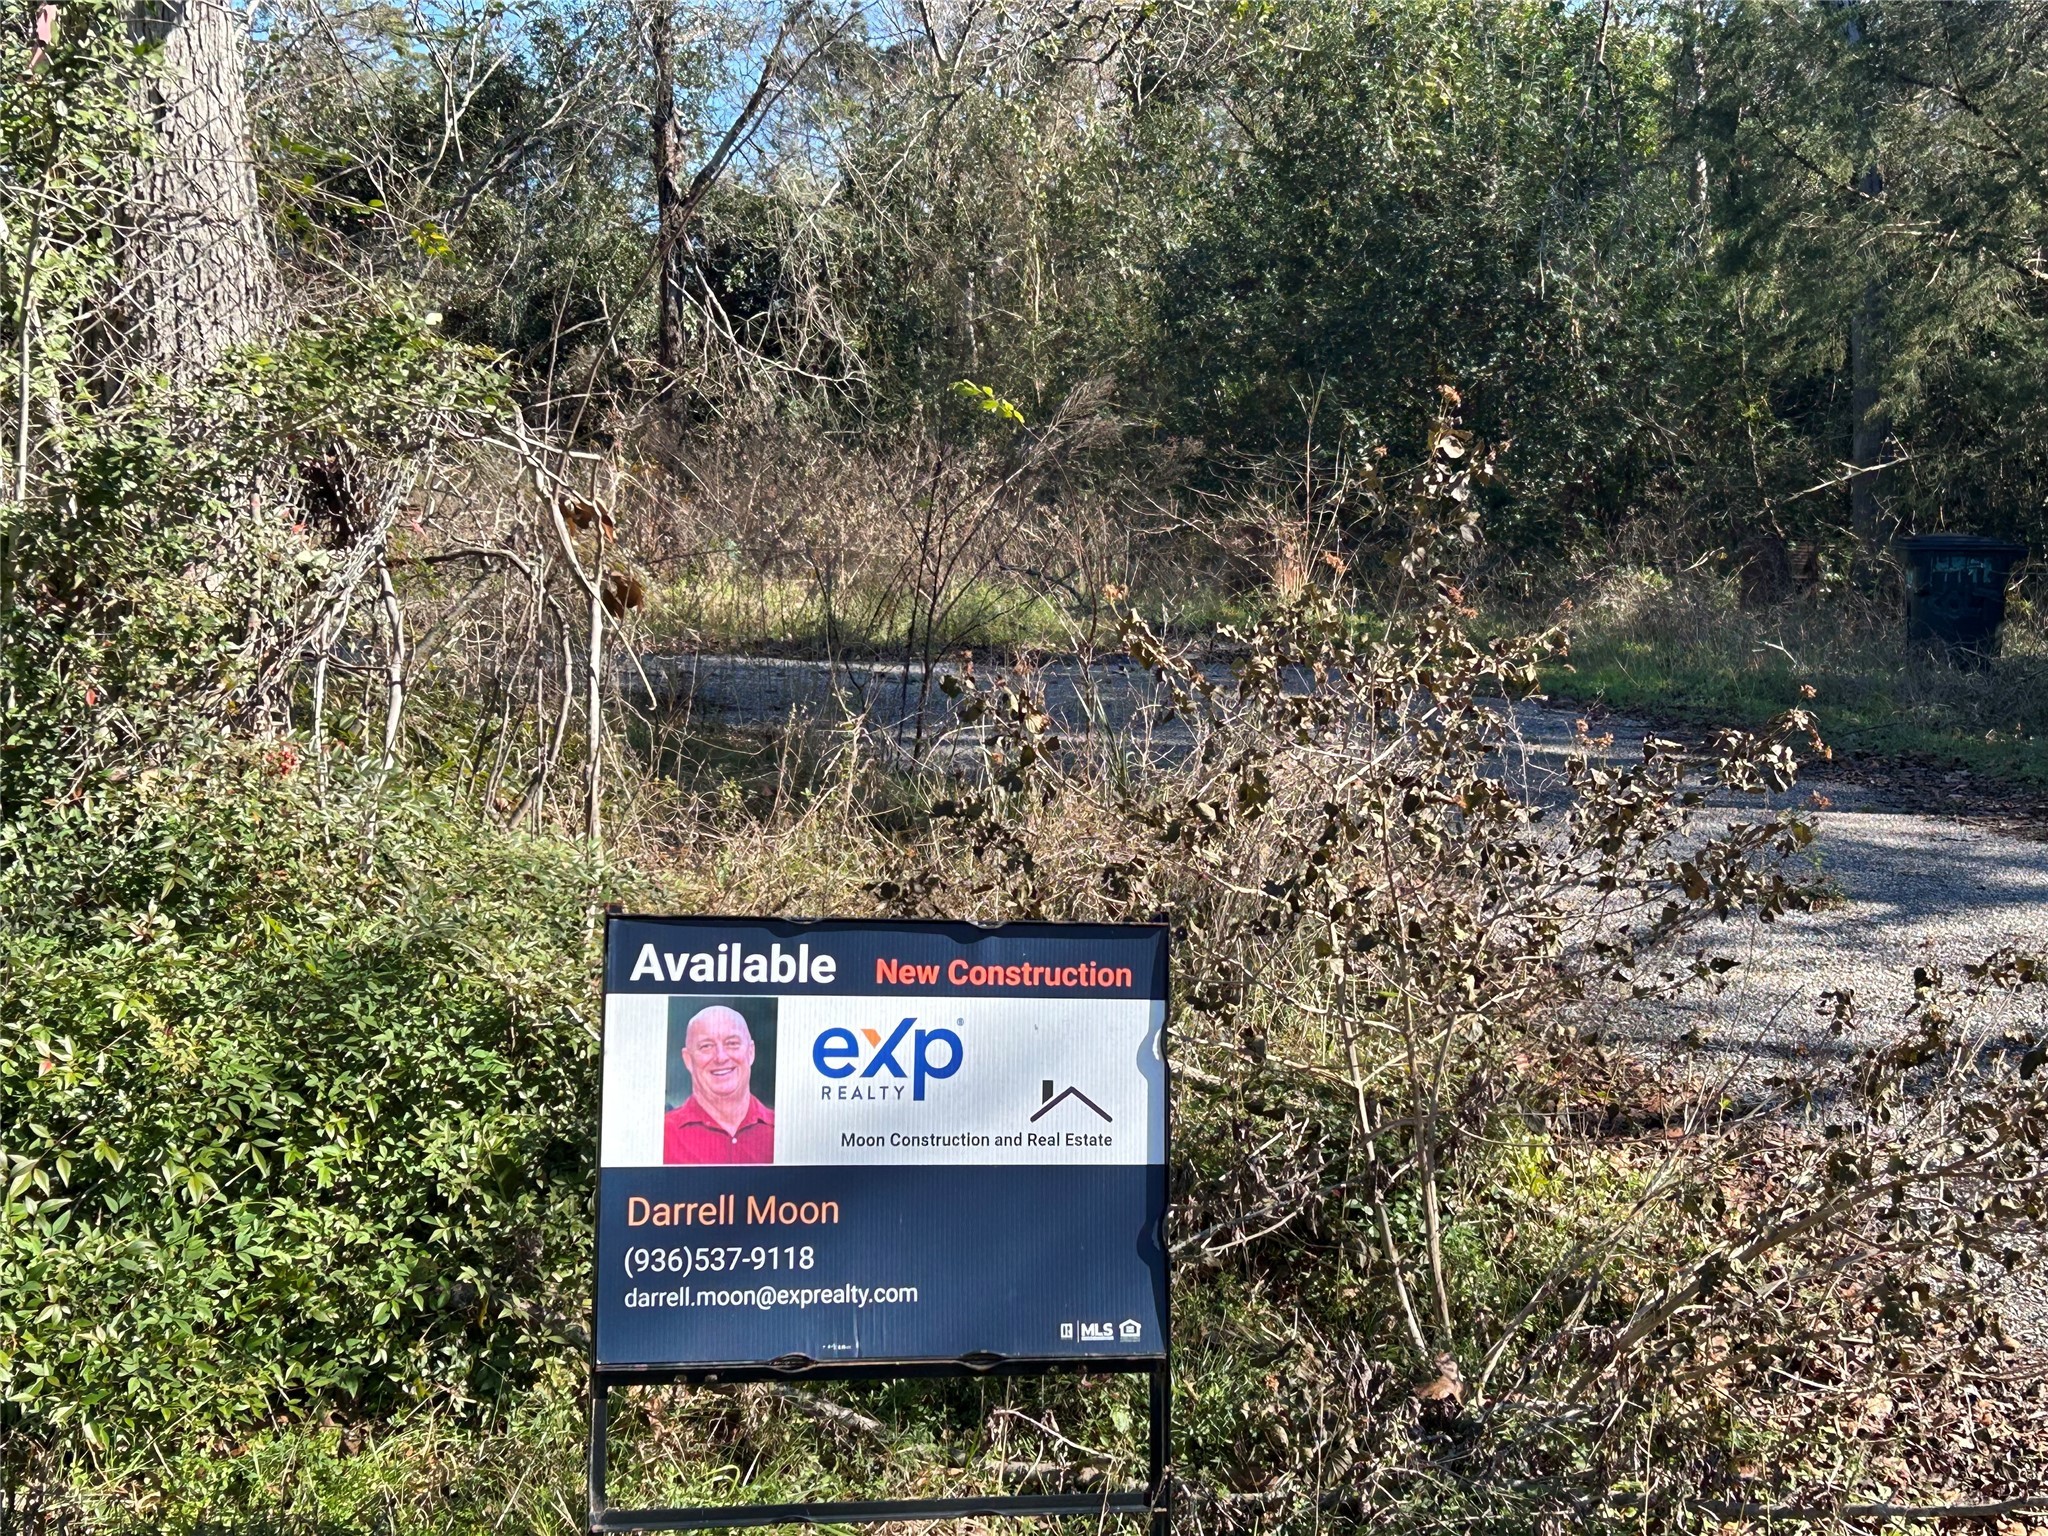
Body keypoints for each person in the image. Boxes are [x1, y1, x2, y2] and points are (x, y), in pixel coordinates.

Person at [664, 1005, 775, 1164]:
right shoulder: (662, 1135)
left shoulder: (782, 1131)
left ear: (751, 1052)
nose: (721, 1057)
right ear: (688, 1060)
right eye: (706, 1046)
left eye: (732, 1043)